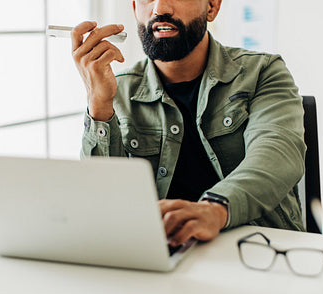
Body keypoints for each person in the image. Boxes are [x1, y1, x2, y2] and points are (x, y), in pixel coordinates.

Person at [73, 0, 306, 247]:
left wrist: (215, 210)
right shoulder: (115, 89)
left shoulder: (263, 72)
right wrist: (98, 104)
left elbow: (276, 157)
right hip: (158, 256)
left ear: (212, 6)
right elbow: (102, 199)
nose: (160, 8)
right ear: (134, 9)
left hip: (261, 252)